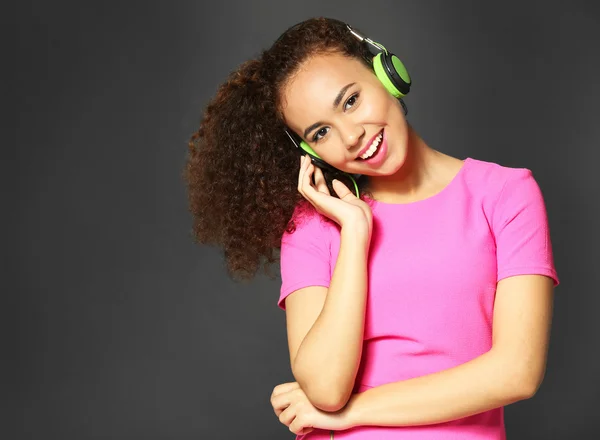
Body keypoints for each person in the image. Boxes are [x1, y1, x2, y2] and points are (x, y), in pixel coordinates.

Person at [183, 17, 559, 440]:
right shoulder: (312, 226)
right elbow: (325, 389)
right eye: (321, 132)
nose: (351, 136)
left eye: (350, 101)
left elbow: (517, 371)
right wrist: (356, 234)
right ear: (309, 150)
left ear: (385, 73)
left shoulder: (506, 194)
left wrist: (351, 414)